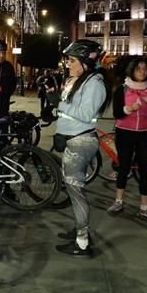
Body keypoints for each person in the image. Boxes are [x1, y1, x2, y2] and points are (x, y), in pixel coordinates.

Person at [53, 40, 109, 257]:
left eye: (72, 60)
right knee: (74, 191)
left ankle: (82, 242)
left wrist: (58, 103)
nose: (68, 63)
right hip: (72, 139)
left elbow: (86, 114)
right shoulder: (80, 80)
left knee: (77, 193)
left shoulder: (95, 83)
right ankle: (79, 229)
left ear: (86, 63)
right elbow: (70, 110)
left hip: (81, 142)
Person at [108, 58, 147, 224]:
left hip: (144, 133)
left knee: (146, 169)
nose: (142, 71)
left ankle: (145, 207)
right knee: (124, 166)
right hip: (124, 132)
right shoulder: (122, 89)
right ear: (132, 70)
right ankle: (118, 202)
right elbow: (117, 113)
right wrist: (129, 109)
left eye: (145, 69)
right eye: (139, 68)